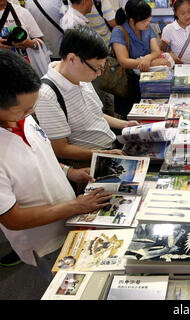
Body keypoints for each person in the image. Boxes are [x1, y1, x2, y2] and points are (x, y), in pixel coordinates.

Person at [0, 49, 112, 280]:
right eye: (22, 110)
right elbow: (12, 218)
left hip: (70, 218)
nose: (30, 113)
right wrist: (76, 207)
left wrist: (68, 172)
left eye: (32, 106)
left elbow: (40, 155)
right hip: (45, 242)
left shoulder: (22, 116)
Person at [34, 26, 138, 166]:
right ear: (72, 59)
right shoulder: (47, 95)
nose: (99, 73)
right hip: (87, 162)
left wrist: (126, 125)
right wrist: (103, 155)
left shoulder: (80, 76)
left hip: (110, 146)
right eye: (96, 67)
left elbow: (96, 114)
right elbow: (60, 148)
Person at [110, 0, 168, 119]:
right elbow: (124, 61)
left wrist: (148, 58)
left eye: (149, 19)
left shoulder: (147, 28)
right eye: (144, 21)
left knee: (149, 116)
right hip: (128, 84)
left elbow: (156, 50)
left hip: (148, 81)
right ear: (132, 21)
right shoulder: (119, 31)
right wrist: (153, 62)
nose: (148, 23)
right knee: (129, 118)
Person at [160, 0, 190, 65]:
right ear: (175, 12)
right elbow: (161, 51)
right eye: (182, 13)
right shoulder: (168, 29)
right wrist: (170, 55)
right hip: (177, 69)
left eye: (189, 11)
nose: (187, 16)